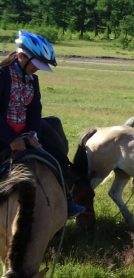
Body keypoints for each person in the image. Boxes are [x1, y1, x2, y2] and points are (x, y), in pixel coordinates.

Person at [0, 30, 85, 218]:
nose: (37, 69)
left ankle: (67, 203)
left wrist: (32, 133)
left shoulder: (33, 79)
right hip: (3, 136)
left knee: (60, 160)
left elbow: (34, 110)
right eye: (36, 64)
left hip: (25, 135)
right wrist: (11, 137)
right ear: (21, 55)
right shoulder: (2, 75)